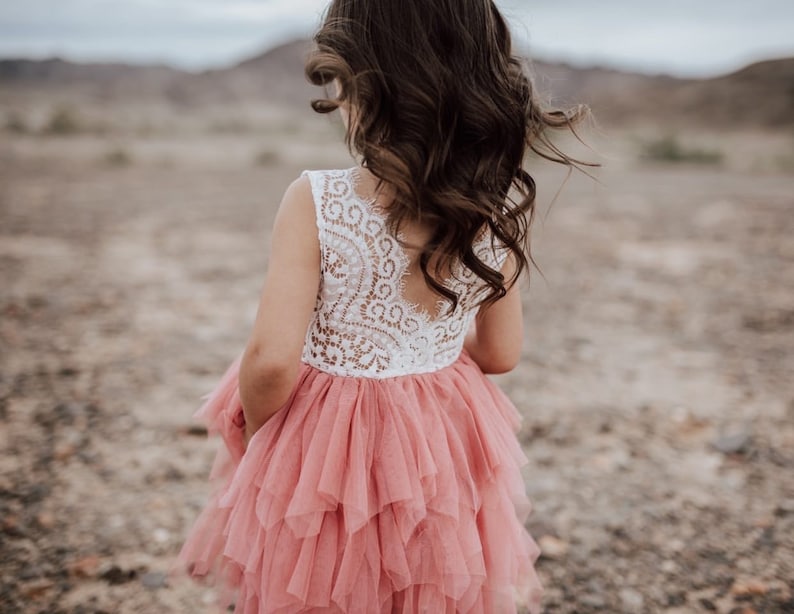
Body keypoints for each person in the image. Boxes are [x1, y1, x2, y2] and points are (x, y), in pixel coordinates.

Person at [177, 1, 588, 612]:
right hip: (440, 432)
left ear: (367, 82)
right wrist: (434, 349)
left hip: (324, 439)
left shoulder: (317, 199)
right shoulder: (494, 204)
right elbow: (501, 353)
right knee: (426, 575)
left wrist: (264, 445)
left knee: (320, 577)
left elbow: (268, 362)